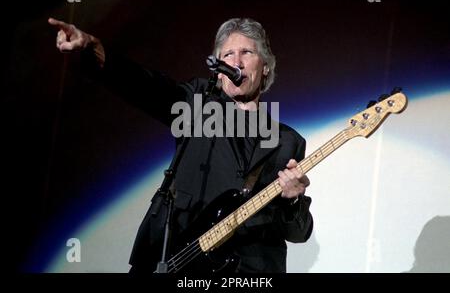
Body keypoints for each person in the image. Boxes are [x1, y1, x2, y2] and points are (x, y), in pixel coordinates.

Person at [48, 17, 313, 273]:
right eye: (228, 54)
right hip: (176, 258)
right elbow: (146, 86)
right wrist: (93, 47)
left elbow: (298, 232)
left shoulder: (287, 141)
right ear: (219, 71)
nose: (236, 61)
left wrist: (292, 201)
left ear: (265, 66)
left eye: (246, 52)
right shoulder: (197, 103)